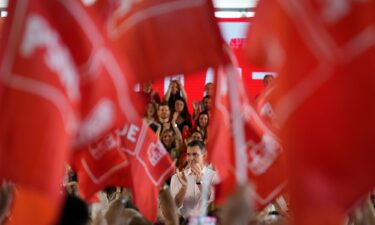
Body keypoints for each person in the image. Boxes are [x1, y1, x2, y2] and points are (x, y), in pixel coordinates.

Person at [170, 141, 218, 220]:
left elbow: (211, 200)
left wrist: (199, 182)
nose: (190, 158)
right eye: (188, 154)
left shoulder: (215, 176)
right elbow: (175, 206)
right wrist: (183, 188)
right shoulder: (177, 177)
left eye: (195, 154)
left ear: (205, 156)